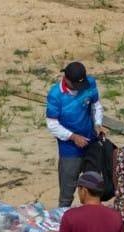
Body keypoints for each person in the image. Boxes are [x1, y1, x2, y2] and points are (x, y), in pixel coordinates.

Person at [45, 61, 104, 207]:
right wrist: (73, 137)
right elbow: (52, 124)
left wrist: (98, 123)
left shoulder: (90, 83)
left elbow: (96, 105)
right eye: (76, 86)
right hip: (70, 150)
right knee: (67, 193)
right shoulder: (55, 95)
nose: (79, 89)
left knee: (94, 189)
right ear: (66, 79)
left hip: (91, 144)